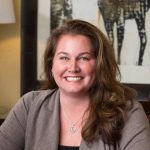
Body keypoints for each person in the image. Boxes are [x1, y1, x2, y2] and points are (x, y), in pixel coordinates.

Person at [0, 19, 150, 150]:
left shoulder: (128, 112)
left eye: (84, 58)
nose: (73, 68)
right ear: (52, 64)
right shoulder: (30, 105)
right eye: (64, 58)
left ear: (99, 64)